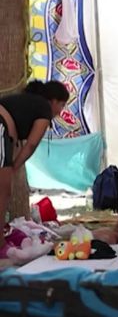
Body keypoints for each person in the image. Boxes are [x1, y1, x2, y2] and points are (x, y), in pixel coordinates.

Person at [0, 80, 68, 256]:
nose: (60, 111)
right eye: (61, 105)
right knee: (3, 191)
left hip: (4, 129)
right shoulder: (44, 108)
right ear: (53, 100)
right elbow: (31, 145)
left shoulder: (27, 105)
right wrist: (14, 167)